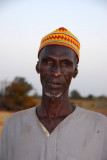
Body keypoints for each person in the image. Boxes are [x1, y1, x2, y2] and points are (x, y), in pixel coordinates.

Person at [0, 27, 107, 160]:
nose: (56, 72)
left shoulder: (100, 126)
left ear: (75, 71)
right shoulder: (13, 125)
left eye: (66, 64)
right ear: (37, 67)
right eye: (48, 61)